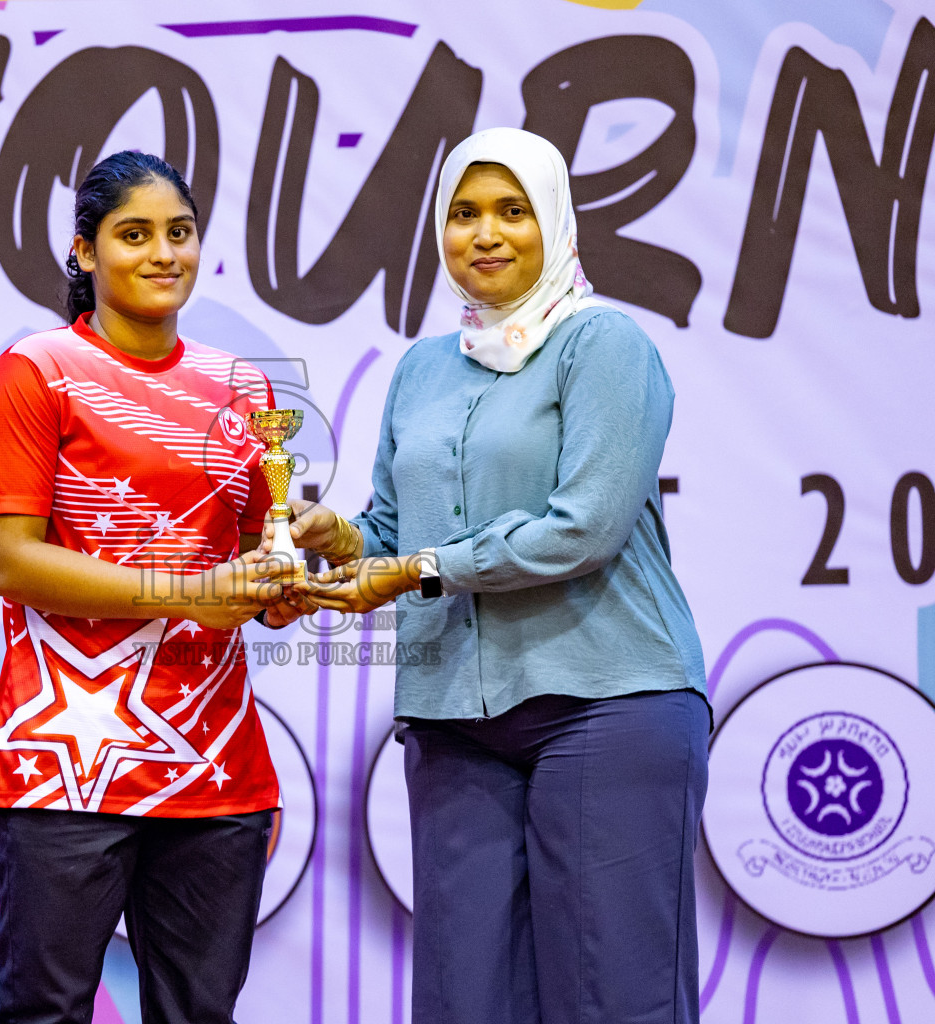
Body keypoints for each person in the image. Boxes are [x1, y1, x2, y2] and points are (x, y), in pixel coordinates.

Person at [287, 127, 710, 1024]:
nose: (485, 234)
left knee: (615, 1000)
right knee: (462, 1000)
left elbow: (584, 528)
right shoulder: (423, 367)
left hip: (606, 703)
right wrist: (341, 540)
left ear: (554, 223)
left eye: (512, 212)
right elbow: (397, 530)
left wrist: (418, 568)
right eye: (464, 213)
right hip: (453, 722)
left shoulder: (604, 345)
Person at [0, 150, 303, 1024]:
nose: (162, 254)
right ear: (84, 254)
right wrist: (192, 593)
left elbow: (260, 574)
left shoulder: (242, 389)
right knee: (47, 1011)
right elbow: (12, 563)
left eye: (179, 234)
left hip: (217, 767)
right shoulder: (34, 374)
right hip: (67, 762)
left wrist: (302, 571)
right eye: (133, 235)